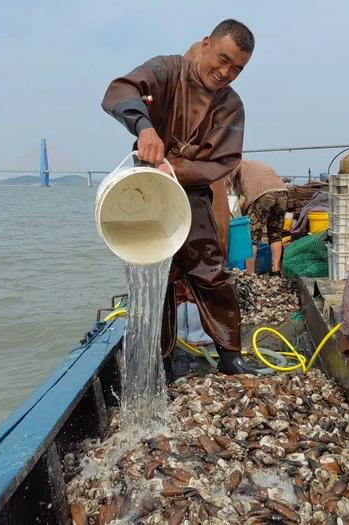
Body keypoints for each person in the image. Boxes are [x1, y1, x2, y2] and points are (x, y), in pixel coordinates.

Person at [101, 19, 257, 375]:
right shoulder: (167, 69)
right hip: (146, 188)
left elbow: (224, 159)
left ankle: (230, 354)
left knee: (210, 269)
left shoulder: (231, 106)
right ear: (205, 44)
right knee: (157, 273)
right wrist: (144, 128)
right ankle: (162, 357)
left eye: (237, 68)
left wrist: (175, 168)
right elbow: (120, 90)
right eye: (222, 59)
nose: (225, 72)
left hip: (191, 193)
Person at [231, 159, 289, 274]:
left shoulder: (234, 164)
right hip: (282, 192)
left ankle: (250, 273)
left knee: (251, 237)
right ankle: (275, 271)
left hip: (263, 193)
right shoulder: (253, 165)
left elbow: (227, 184)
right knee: (275, 234)